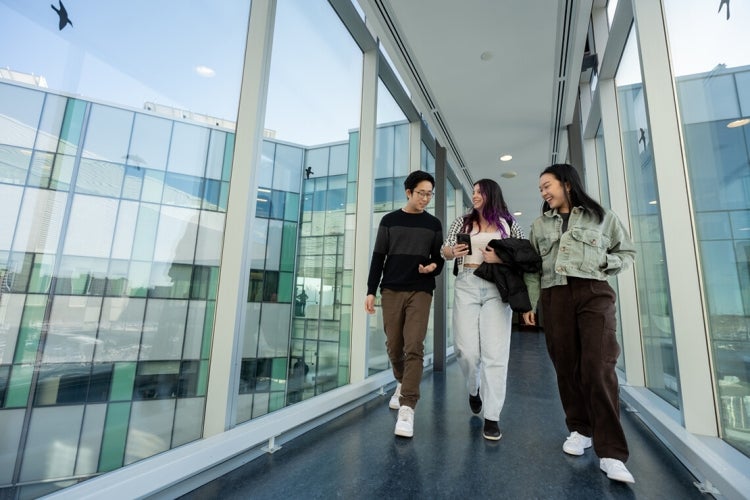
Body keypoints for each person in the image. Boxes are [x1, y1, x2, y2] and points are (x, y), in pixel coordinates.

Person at [522, 163, 637, 483]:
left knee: (599, 366)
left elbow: (626, 253)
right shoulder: (539, 225)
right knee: (567, 366)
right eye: (541, 188)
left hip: (593, 293)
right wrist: (530, 305)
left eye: (547, 185)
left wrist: (605, 261)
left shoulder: (602, 217)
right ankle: (580, 430)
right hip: (554, 296)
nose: (543, 191)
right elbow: (532, 268)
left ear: (567, 184)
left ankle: (612, 453)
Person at [441, 179, 525, 441]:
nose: (474, 195)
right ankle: (473, 387)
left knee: (495, 353)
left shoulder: (508, 223)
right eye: (473, 192)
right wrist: (452, 251)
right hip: (466, 282)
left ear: (490, 194)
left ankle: (492, 416)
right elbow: (444, 250)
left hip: (497, 287)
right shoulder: (462, 221)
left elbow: (522, 252)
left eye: (479, 192)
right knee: (466, 351)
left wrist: (500, 257)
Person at [365, 170, 445, 438]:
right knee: (393, 345)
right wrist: (370, 291)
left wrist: (433, 266)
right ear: (408, 192)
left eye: (429, 194)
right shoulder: (389, 220)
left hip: (421, 290)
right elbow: (378, 257)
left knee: (414, 346)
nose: (425, 198)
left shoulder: (433, 224)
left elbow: (439, 258)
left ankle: (407, 407)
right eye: (421, 193)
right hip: (391, 289)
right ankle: (402, 382)